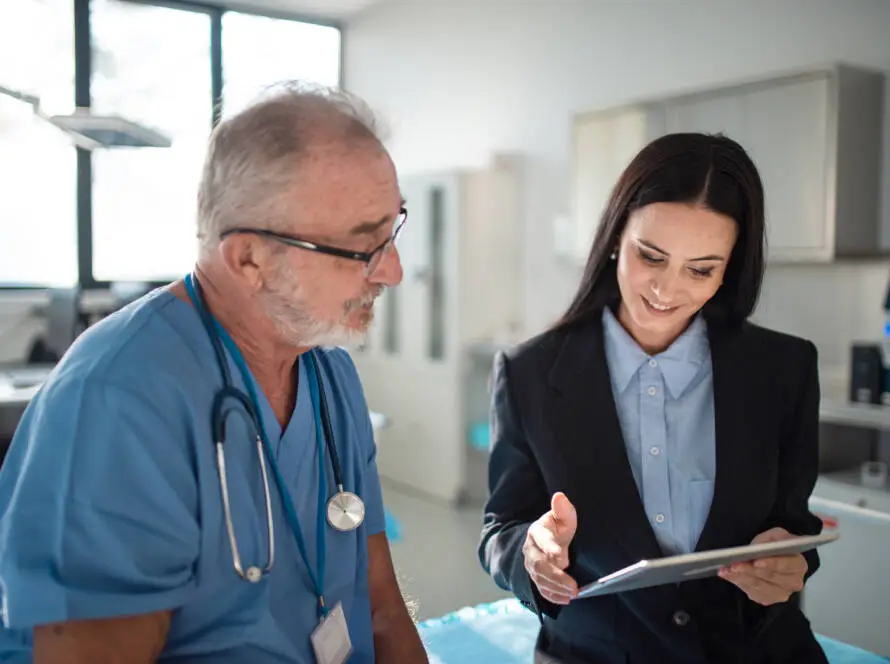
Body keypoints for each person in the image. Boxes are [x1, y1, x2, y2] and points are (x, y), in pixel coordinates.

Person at [0, 82, 428, 664]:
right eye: (363, 247)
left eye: (393, 229)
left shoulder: (330, 377)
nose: (395, 271)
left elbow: (381, 606)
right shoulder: (119, 400)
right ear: (249, 259)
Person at [478, 132, 828, 664]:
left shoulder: (784, 370)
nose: (666, 290)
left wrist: (789, 563)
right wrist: (531, 553)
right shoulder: (528, 374)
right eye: (651, 256)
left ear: (730, 267)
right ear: (618, 234)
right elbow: (500, 529)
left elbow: (793, 526)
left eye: (700, 269)